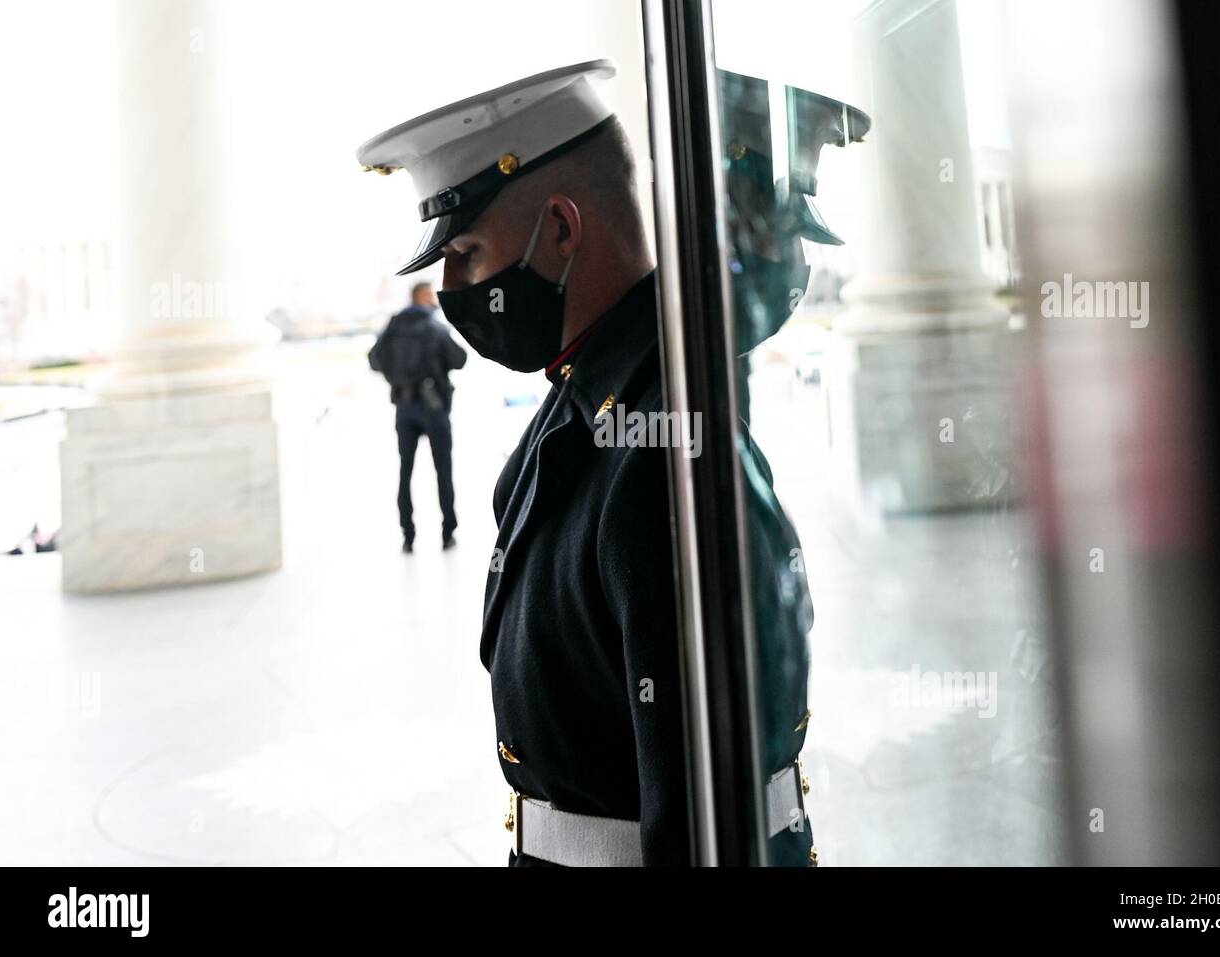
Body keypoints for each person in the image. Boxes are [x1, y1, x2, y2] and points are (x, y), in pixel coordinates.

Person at [355, 59, 867, 866]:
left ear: (560, 229)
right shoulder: (583, 400)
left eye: (465, 250)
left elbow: (703, 815)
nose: (452, 287)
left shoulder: (662, 448)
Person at [367, 282, 467, 551]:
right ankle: (448, 531)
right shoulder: (435, 328)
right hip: (434, 407)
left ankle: (407, 534)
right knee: (443, 470)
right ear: (422, 297)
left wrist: (397, 377)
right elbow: (460, 359)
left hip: (404, 407)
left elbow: (374, 360)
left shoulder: (393, 328)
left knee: (405, 470)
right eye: (431, 295)